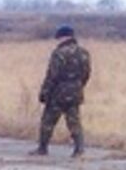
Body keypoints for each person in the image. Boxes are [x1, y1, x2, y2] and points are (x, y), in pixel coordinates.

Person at [31, 25, 91, 157]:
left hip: (58, 93)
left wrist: (44, 92)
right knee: (74, 121)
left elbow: (52, 75)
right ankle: (79, 149)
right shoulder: (84, 53)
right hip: (75, 91)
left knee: (48, 121)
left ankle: (42, 148)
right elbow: (86, 74)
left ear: (62, 37)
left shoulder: (59, 53)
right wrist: (78, 86)